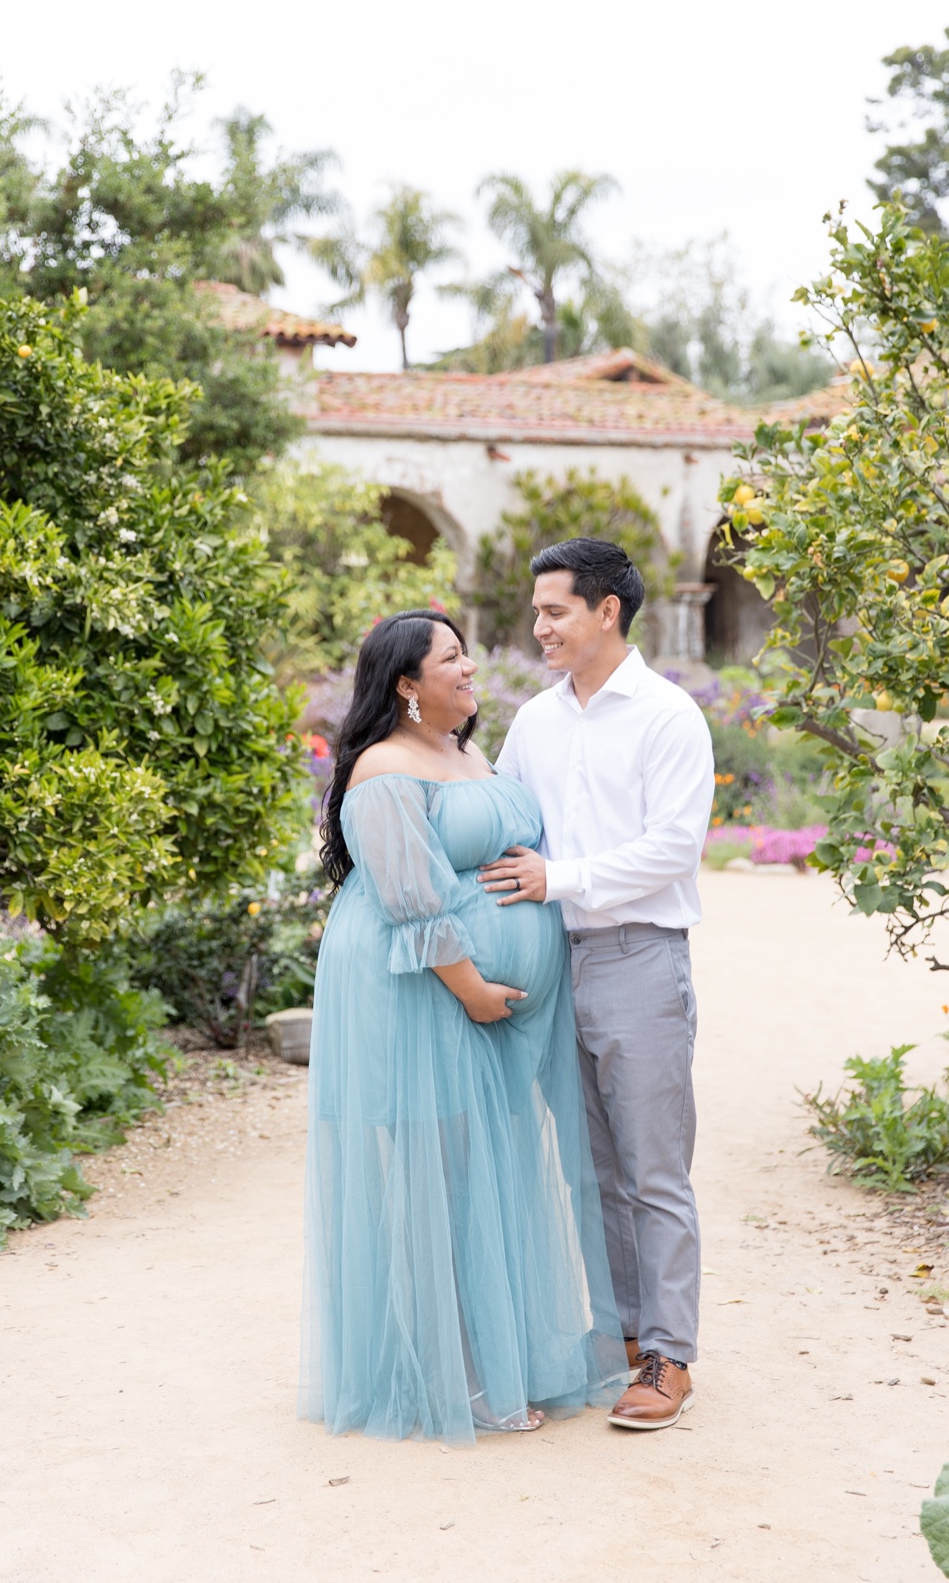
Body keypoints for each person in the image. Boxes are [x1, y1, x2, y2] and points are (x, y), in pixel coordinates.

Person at [299, 609, 629, 1444]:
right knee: (441, 1180)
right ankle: (462, 1379)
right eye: (452, 658)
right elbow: (408, 896)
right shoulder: (382, 769)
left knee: (485, 1175)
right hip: (422, 997)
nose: (472, 667)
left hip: (479, 1005)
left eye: (466, 652)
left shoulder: (465, 751)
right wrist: (473, 984)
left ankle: (495, 1355)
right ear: (406, 684)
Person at [481, 539, 715, 1432]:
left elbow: (673, 847)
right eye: (537, 612)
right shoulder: (535, 722)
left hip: (639, 959)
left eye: (554, 611)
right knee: (594, 1170)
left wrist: (560, 877)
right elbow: (503, 816)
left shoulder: (667, 716)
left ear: (606, 610)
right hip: (553, 964)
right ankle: (622, 1333)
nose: (538, 627)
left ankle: (670, 1355)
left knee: (655, 1169)